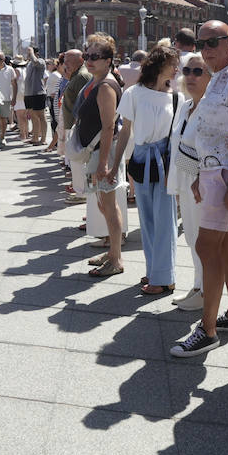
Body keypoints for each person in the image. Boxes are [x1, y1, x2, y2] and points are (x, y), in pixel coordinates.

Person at [169, 20, 228, 357]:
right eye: (201, 43)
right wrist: (197, 174)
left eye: (213, 42)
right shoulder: (218, 76)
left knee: (206, 247)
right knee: (223, 246)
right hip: (212, 172)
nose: (206, 49)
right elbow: (210, 130)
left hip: (225, 175)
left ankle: (207, 330)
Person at [107, 45, 179, 292]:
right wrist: (115, 165)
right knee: (147, 218)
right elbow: (125, 131)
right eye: (173, 64)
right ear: (160, 65)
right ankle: (155, 272)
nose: (177, 69)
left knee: (166, 220)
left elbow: (177, 138)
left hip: (165, 161)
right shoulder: (134, 93)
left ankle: (164, 277)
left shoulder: (177, 96)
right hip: (141, 159)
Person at [74, 34, 126, 276]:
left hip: (101, 153)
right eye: (87, 55)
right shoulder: (98, 81)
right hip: (97, 152)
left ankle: (115, 259)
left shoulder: (105, 86)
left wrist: (104, 163)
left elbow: (108, 127)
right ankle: (112, 252)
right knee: (103, 205)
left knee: (108, 204)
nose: (89, 60)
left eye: (95, 56)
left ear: (108, 60)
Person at [167, 53, 210, 310]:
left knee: (201, 238)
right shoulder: (185, 104)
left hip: (201, 182)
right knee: (191, 236)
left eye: (198, 71)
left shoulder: (211, 107)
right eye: (188, 70)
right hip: (184, 178)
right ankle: (198, 285)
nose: (191, 76)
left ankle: (205, 290)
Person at [60, 49, 91, 203]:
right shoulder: (77, 75)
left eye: (68, 60)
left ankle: (81, 193)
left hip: (75, 125)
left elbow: (83, 103)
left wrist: (75, 124)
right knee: (75, 160)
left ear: (79, 60)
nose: (65, 63)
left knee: (77, 160)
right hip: (73, 124)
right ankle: (80, 191)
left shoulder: (81, 76)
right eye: (64, 60)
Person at [23, 45, 48, 145]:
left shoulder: (41, 61)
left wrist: (32, 53)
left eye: (30, 53)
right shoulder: (29, 64)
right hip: (29, 94)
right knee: (33, 116)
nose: (28, 55)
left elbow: (36, 62)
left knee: (41, 116)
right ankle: (35, 137)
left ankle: (44, 139)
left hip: (38, 93)